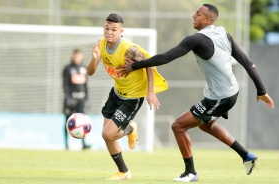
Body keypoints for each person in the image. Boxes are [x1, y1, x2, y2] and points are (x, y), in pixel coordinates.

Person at [117, 4, 275, 182]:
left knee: (178, 126)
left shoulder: (197, 39)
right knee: (206, 125)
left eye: (198, 14)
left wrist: (135, 65)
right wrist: (261, 90)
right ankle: (246, 156)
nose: (193, 16)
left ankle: (190, 173)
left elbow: (167, 57)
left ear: (208, 20)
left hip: (220, 96)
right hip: (229, 92)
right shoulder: (224, 33)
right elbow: (248, 62)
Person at [87, 13, 168, 180]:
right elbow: (90, 72)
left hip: (132, 97)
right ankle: (123, 172)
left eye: (114, 29)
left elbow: (150, 65)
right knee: (107, 135)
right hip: (116, 92)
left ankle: (131, 128)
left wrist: (150, 92)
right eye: (107, 28)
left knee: (108, 134)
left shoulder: (129, 48)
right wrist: (94, 59)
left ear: (121, 30)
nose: (109, 32)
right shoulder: (101, 45)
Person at [63, 49, 90, 150]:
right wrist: (68, 98)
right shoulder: (67, 69)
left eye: (79, 56)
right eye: (76, 56)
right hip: (71, 99)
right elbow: (65, 85)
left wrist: (87, 98)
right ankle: (66, 145)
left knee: (82, 122)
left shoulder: (84, 68)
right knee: (67, 121)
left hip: (81, 99)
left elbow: (86, 85)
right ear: (73, 56)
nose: (78, 58)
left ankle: (84, 144)